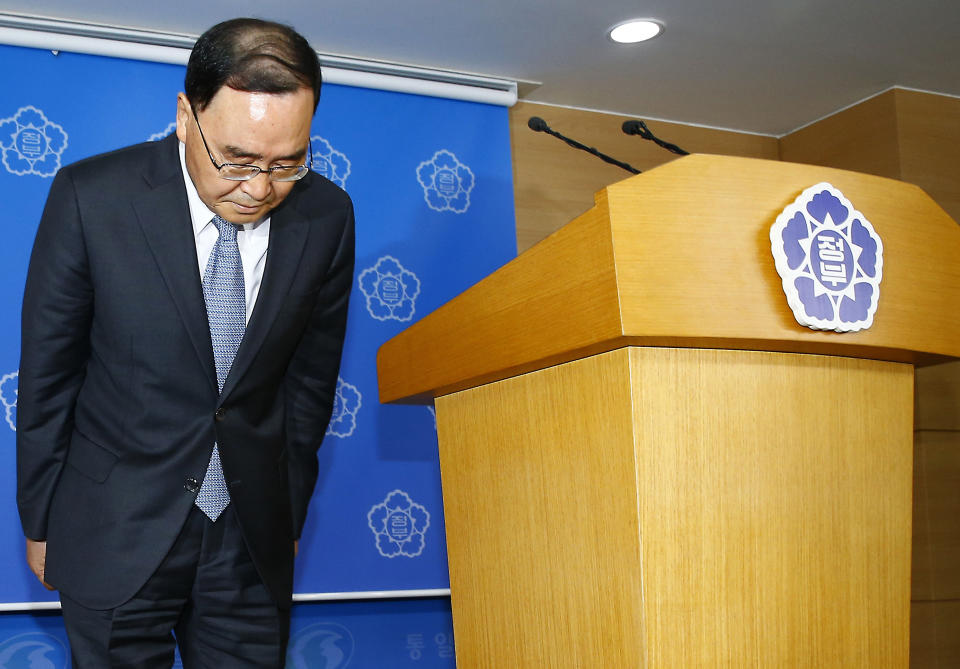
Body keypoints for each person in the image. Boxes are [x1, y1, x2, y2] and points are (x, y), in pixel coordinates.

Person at [16, 17, 354, 668]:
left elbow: (310, 386)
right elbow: (49, 377)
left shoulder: (327, 217)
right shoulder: (93, 197)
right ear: (184, 115)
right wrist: (40, 517)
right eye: (237, 160)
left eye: (287, 163)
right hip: (114, 521)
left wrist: (287, 516)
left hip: (251, 538)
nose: (259, 188)